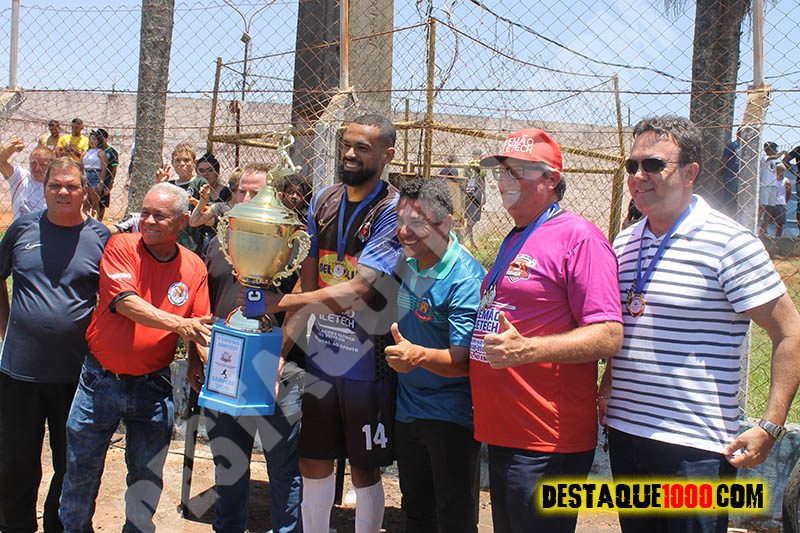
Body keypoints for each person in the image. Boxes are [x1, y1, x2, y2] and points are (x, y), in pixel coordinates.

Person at [600, 115, 800, 533]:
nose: (638, 176)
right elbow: (631, 329)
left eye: (654, 165)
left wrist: (770, 426)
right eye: (632, 165)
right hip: (625, 434)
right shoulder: (624, 243)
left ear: (690, 172)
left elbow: (789, 332)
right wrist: (607, 386)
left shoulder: (730, 243)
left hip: (694, 447)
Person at [469, 128, 623, 533]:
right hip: (507, 431)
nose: (505, 181)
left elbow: (608, 333)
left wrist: (528, 350)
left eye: (518, 171)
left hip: (546, 439)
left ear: (551, 179)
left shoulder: (579, 237)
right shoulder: (519, 235)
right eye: (501, 171)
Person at [268, 114, 402, 533]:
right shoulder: (323, 199)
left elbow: (360, 289)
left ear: (387, 155)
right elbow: (308, 286)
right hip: (324, 354)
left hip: (369, 358)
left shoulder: (393, 209)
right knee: (313, 457)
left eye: (363, 147)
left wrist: (284, 301)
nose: (349, 154)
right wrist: (280, 353)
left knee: (364, 465)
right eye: (347, 144)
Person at [59, 182, 213, 533]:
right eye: (145, 213)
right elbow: (126, 303)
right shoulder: (122, 246)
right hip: (100, 381)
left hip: (152, 386)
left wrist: (194, 360)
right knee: (81, 472)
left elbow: (199, 323)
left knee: (146, 476)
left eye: (159, 215)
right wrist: (180, 324)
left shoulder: (194, 267)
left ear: (182, 221)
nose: (148, 221)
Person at [187, 163, 304, 533]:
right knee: (228, 460)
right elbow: (202, 302)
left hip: (278, 370)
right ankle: (228, 527)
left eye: (257, 193)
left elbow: (302, 303)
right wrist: (194, 355)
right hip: (223, 363)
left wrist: (280, 353)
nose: (248, 198)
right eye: (242, 192)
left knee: (283, 466)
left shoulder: (290, 244)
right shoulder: (219, 242)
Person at [0, 157, 110, 533]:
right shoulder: (22, 229)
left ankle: (58, 525)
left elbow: (114, 299)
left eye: (72, 186)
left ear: (84, 191)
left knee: (71, 463)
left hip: (75, 377)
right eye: (55, 185)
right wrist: (5, 327)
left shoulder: (100, 238)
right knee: (15, 461)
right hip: (19, 373)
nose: (63, 192)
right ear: (44, 188)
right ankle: (15, 526)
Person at [386, 178, 484, 532]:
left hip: (450, 416)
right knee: (415, 511)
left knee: (453, 516)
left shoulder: (465, 280)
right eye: (400, 220)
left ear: (446, 223)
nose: (404, 232)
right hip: (408, 408)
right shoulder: (405, 263)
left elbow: (465, 363)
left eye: (417, 223)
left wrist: (417, 356)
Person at [0, 137, 53, 219]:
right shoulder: (20, 177)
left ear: (50, 164)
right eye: (33, 163)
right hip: (22, 226)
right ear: (29, 160)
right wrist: (12, 148)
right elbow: (1, 162)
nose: (37, 168)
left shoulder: (55, 185)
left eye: (43, 165)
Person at [462, 149, 487, 248]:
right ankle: (466, 238)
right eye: (480, 155)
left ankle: (469, 240)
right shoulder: (481, 166)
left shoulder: (468, 165)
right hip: (476, 194)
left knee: (471, 218)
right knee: (473, 218)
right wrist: (484, 194)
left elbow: (464, 180)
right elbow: (483, 181)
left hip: (468, 193)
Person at [82, 130, 109, 217]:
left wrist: (101, 182)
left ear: (98, 141)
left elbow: (104, 168)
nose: (92, 141)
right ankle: (85, 218)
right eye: (90, 139)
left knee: (94, 202)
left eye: (94, 139)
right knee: (85, 202)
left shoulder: (100, 153)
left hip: (95, 175)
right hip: (85, 175)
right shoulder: (86, 152)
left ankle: (95, 219)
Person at [759, 141, 782, 237]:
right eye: (774, 149)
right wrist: (782, 153)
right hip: (765, 185)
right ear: (768, 150)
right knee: (762, 207)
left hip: (773, 185)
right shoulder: (765, 158)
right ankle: (756, 227)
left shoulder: (773, 162)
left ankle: (764, 230)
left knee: (770, 209)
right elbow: (773, 157)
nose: (776, 151)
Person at [97, 128, 119, 221]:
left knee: (101, 204)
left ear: (105, 138)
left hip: (105, 181)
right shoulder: (94, 151)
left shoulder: (112, 152)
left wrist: (110, 184)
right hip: (93, 180)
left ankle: (99, 221)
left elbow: (114, 170)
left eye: (100, 138)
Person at [720, 129, 740, 217]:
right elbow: (724, 160)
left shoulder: (746, 148)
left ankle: (734, 216)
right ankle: (728, 215)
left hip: (740, 176)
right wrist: (722, 170)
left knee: (737, 199)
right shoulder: (732, 146)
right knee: (730, 198)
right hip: (731, 175)